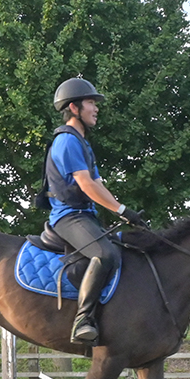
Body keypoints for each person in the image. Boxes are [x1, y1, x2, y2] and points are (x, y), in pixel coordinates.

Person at [44, 77, 148, 344]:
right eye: (91, 102)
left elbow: (99, 186)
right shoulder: (66, 141)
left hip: (85, 215)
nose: (96, 108)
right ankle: (83, 319)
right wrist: (122, 209)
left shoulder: (83, 144)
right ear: (74, 107)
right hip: (67, 216)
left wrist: (124, 213)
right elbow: (86, 185)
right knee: (104, 253)